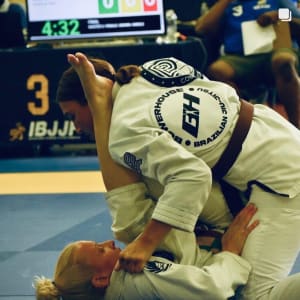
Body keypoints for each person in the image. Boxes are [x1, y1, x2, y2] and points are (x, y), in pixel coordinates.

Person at [56, 52, 300, 299]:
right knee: (146, 188)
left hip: (280, 176)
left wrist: (146, 243)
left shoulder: (124, 133)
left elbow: (194, 176)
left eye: (73, 116)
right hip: (273, 130)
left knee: (257, 296)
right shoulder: (149, 70)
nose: (76, 127)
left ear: (88, 99)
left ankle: (100, 107)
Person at [195, 0, 300, 128]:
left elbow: (296, 17)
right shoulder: (228, 5)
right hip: (240, 57)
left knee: (283, 60)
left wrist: (279, 15)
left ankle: (296, 125)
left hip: (275, 51)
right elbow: (201, 28)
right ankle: (246, 120)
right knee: (217, 70)